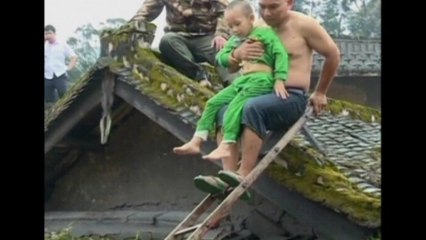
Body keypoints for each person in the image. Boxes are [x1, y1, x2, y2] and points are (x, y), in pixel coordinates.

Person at [193, 0, 341, 197]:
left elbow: (333, 54)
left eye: (273, 7)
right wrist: (238, 53)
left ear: (289, 3)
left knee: (252, 108)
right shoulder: (253, 28)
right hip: (256, 91)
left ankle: (243, 173)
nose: (267, 12)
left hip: (290, 97)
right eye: (262, 7)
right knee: (223, 109)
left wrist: (321, 91)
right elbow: (229, 66)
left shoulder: (305, 25)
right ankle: (227, 175)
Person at [173, 0, 289, 164]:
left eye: (237, 24)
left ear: (250, 18)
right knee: (213, 103)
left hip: (261, 80)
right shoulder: (235, 39)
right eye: (230, 26)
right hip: (243, 80)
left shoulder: (264, 33)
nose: (234, 29)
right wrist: (235, 55)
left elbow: (281, 54)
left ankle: (227, 143)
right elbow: (221, 57)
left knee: (235, 105)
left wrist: (280, 79)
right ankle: (197, 140)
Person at [131, 0, 235, 86]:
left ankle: (238, 89)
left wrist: (222, 34)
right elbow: (146, 12)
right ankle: (198, 74)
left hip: (207, 37)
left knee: (223, 52)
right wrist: (130, 27)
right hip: (178, 37)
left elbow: (226, 12)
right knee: (166, 41)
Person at [44, 25, 78, 104]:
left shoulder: (62, 45)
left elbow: (74, 57)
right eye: (46, 34)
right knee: (49, 100)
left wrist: (68, 68)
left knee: (64, 97)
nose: (48, 36)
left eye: (49, 33)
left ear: (54, 34)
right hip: (47, 76)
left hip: (60, 74)